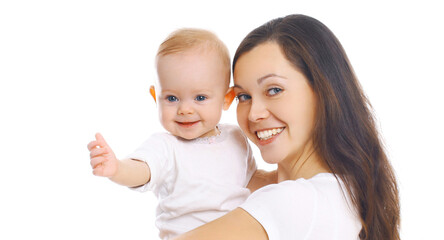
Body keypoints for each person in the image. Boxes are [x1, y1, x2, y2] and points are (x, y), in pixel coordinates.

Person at [173, 14, 400, 240]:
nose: (254, 113)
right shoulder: (347, 190)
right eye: (243, 96)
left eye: (274, 90)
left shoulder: (293, 202)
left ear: (323, 92)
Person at [87, 29, 276, 240]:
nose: (185, 109)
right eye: (172, 98)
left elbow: (249, 181)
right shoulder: (165, 146)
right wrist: (117, 168)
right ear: (156, 97)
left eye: (200, 97)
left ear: (226, 98)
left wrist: (282, 176)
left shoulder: (235, 138)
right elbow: (142, 170)